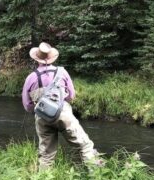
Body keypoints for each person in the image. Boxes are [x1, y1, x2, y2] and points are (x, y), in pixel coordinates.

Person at [22, 42, 97, 171]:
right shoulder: (62, 72)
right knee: (84, 145)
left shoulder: (31, 77)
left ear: (36, 59)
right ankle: (96, 175)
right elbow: (71, 96)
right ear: (51, 57)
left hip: (42, 118)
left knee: (46, 155)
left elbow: (27, 106)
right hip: (64, 114)